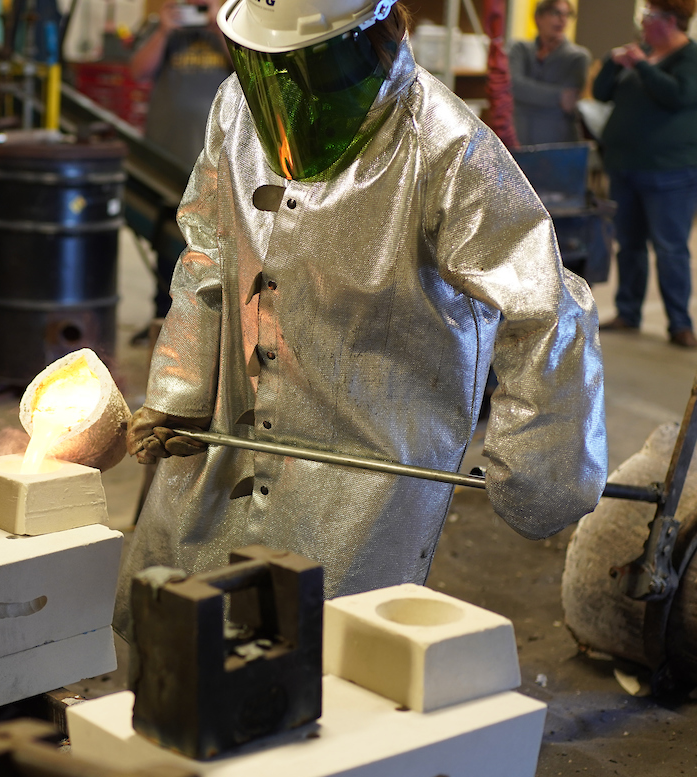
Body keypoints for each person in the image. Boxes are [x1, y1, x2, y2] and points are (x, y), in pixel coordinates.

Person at [117, 0, 607, 632]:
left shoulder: (445, 145)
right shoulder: (238, 107)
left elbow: (545, 307)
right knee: (180, 624)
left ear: (370, 37)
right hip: (231, 433)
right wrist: (179, 393)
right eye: (273, 67)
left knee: (326, 656)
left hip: (362, 472)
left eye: (306, 66)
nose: (287, 87)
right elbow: (208, 251)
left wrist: (538, 470)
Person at [593, 0, 697, 348]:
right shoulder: (640, 54)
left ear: (670, 21)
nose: (643, 25)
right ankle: (628, 311)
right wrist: (612, 62)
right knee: (629, 245)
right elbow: (601, 92)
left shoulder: (689, 59)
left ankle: (680, 324)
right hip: (624, 167)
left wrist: (643, 65)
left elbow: (679, 96)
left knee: (670, 248)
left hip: (669, 172)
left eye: (649, 18)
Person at [131, 0, 233, 329]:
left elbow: (244, 69)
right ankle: (162, 320)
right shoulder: (165, 26)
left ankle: (211, 324)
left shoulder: (233, 26)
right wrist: (163, 30)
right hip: (167, 155)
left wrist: (219, 25)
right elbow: (137, 71)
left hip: (218, 159)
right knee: (167, 238)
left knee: (216, 240)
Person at [508, 0, 591, 145]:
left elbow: (569, 103)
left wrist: (526, 95)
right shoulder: (519, 49)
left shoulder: (577, 57)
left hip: (558, 144)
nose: (562, 20)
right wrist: (558, 95)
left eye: (567, 15)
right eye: (555, 13)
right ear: (538, 17)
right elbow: (513, 86)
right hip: (521, 141)